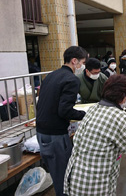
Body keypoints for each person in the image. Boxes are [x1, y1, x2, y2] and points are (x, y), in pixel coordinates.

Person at [63, 75, 126, 195]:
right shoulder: (118, 117)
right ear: (122, 96)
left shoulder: (94, 108)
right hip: (94, 185)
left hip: (75, 177)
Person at [36, 46, 88, 196]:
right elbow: (64, 111)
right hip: (56, 137)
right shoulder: (71, 79)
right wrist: (86, 114)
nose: (82, 67)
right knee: (65, 178)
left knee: (56, 174)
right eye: (82, 63)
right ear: (74, 61)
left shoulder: (51, 75)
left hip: (41, 134)